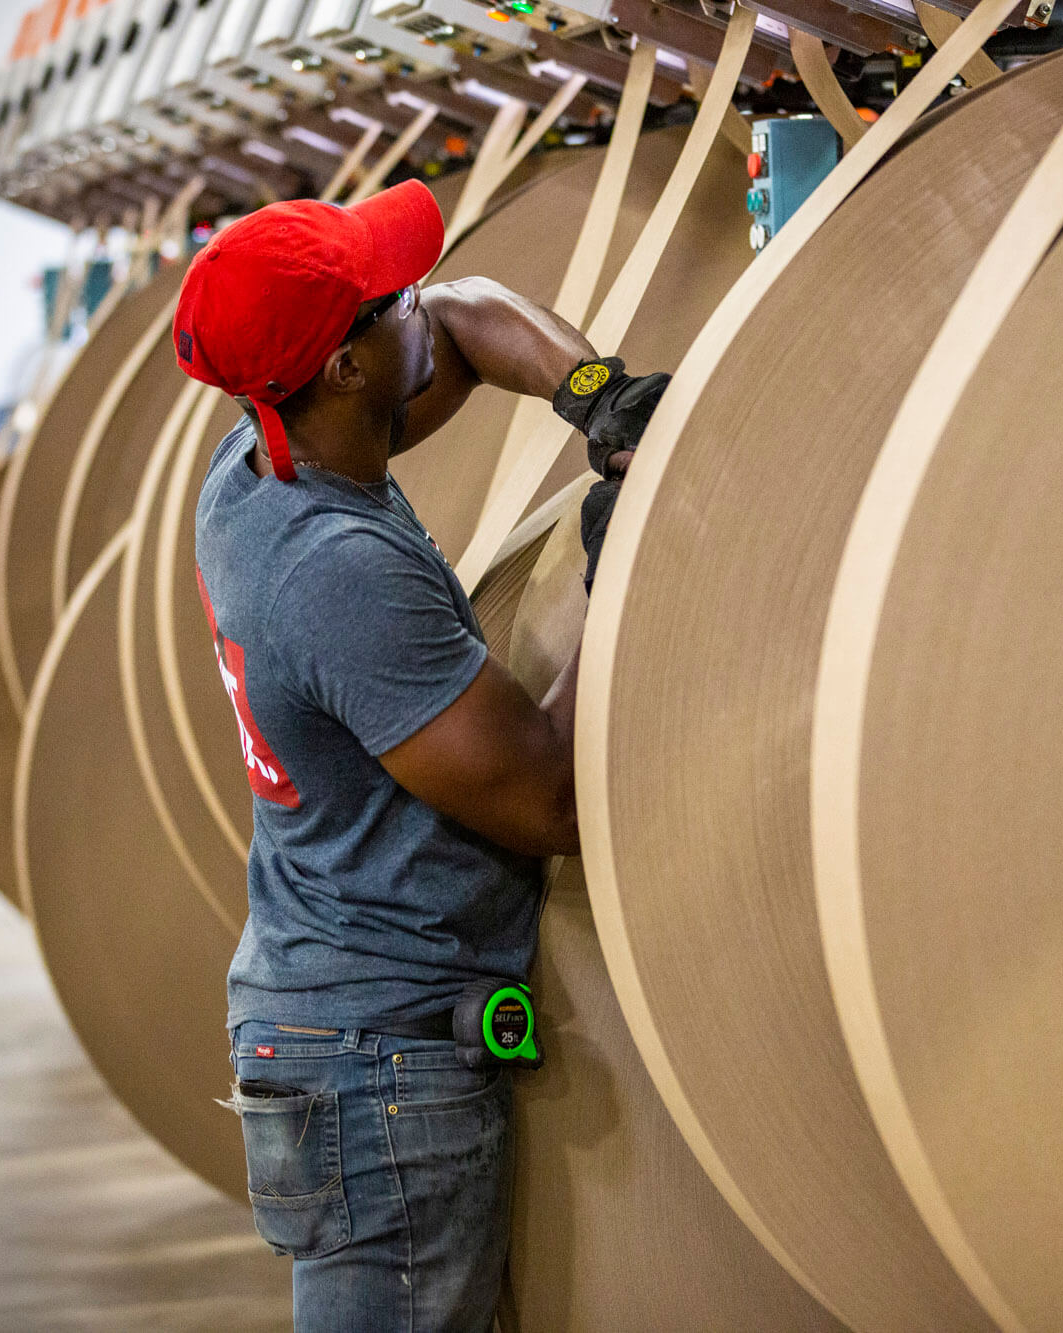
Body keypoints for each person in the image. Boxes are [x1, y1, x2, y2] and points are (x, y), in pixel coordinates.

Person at [176, 179, 666, 1330]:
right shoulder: (332, 575)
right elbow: (551, 794)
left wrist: (598, 397)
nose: (417, 305)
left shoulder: (265, 456)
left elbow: (461, 315)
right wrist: (623, 558)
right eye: (383, 300)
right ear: (343, 367)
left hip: (339, 1020)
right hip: (381, 1068)